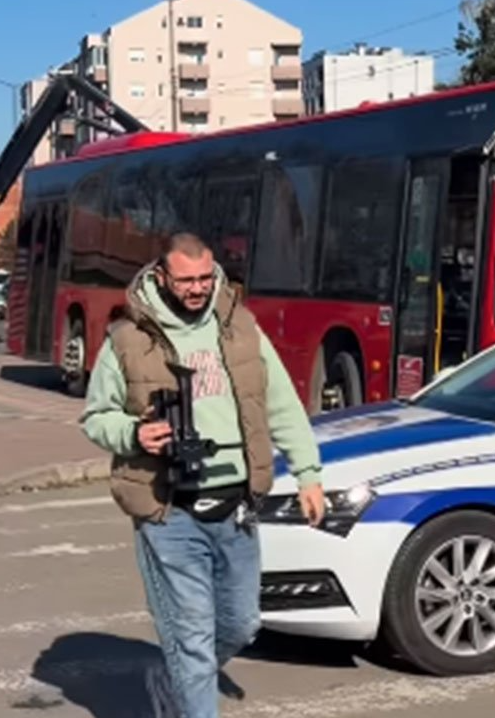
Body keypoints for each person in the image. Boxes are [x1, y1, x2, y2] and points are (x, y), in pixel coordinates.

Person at [79, 233, 325, 718]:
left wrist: (308, 473)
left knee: (241, 624)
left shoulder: (240, 327)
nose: (196, 288)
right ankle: (187, 687)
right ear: (163, 276)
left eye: (204, 278)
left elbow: (281, 402)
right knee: (191, 636)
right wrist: (133, 433)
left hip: (236, 507)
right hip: (169, 510)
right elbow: (95, 416)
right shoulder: (129, 338)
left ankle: (171, 679)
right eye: (186, 279)